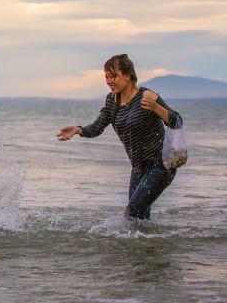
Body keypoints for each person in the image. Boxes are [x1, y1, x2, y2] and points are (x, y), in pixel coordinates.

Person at [57, 54, 183, 221]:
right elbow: (97, 127)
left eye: (113, 75)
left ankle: (145, 245)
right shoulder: (112, 101)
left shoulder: (147, 96)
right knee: (139, 217)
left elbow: (177, 122)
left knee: (134, 211)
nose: (109, 81)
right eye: (106, 77)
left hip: (161, 165)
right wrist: (78, 130)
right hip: (138, 167)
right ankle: (149, 246)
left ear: (128, 74)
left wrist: (156, 108)